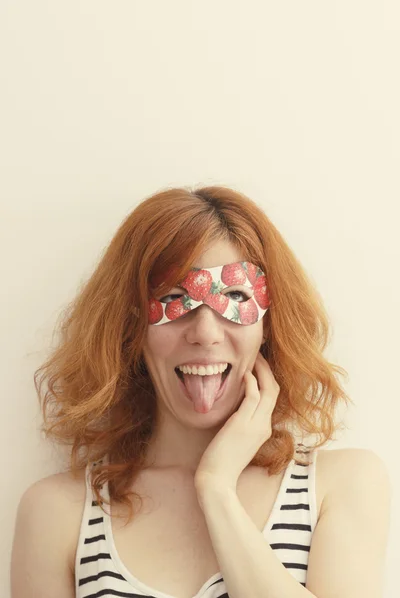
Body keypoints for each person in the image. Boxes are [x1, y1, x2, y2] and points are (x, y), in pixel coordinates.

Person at [11, 185, 391, 598]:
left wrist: (217, 489)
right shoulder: (57, 514)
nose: (205, 334)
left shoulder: (340, 486)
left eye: (234, 297)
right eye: (173, 299)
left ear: (267, 326)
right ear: (130, 326)